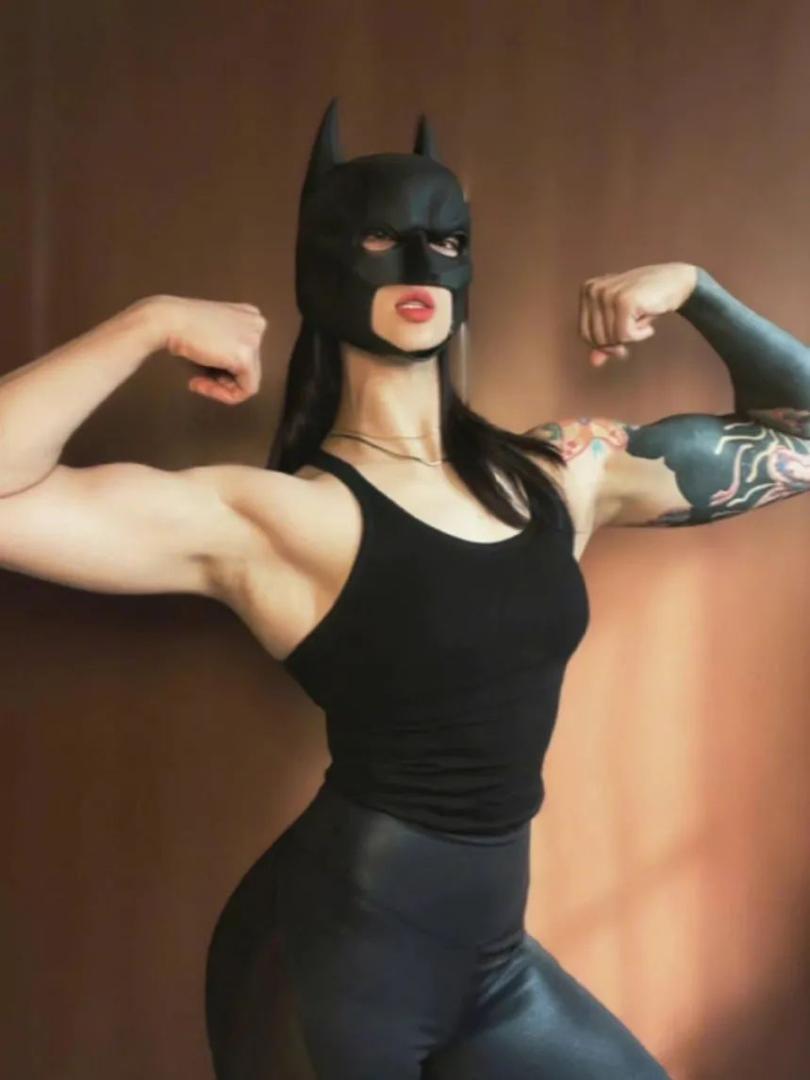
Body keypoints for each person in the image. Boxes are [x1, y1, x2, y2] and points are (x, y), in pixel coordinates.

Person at [1, 99, 808, 1078]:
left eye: (447, 240)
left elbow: (801, 436)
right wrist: (150, 324)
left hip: (492, 963)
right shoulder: (279, 519)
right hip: (330, 962)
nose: (421, 263)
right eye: (381, 239)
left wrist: (697, 290)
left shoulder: (561, 474)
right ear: (322, 268)